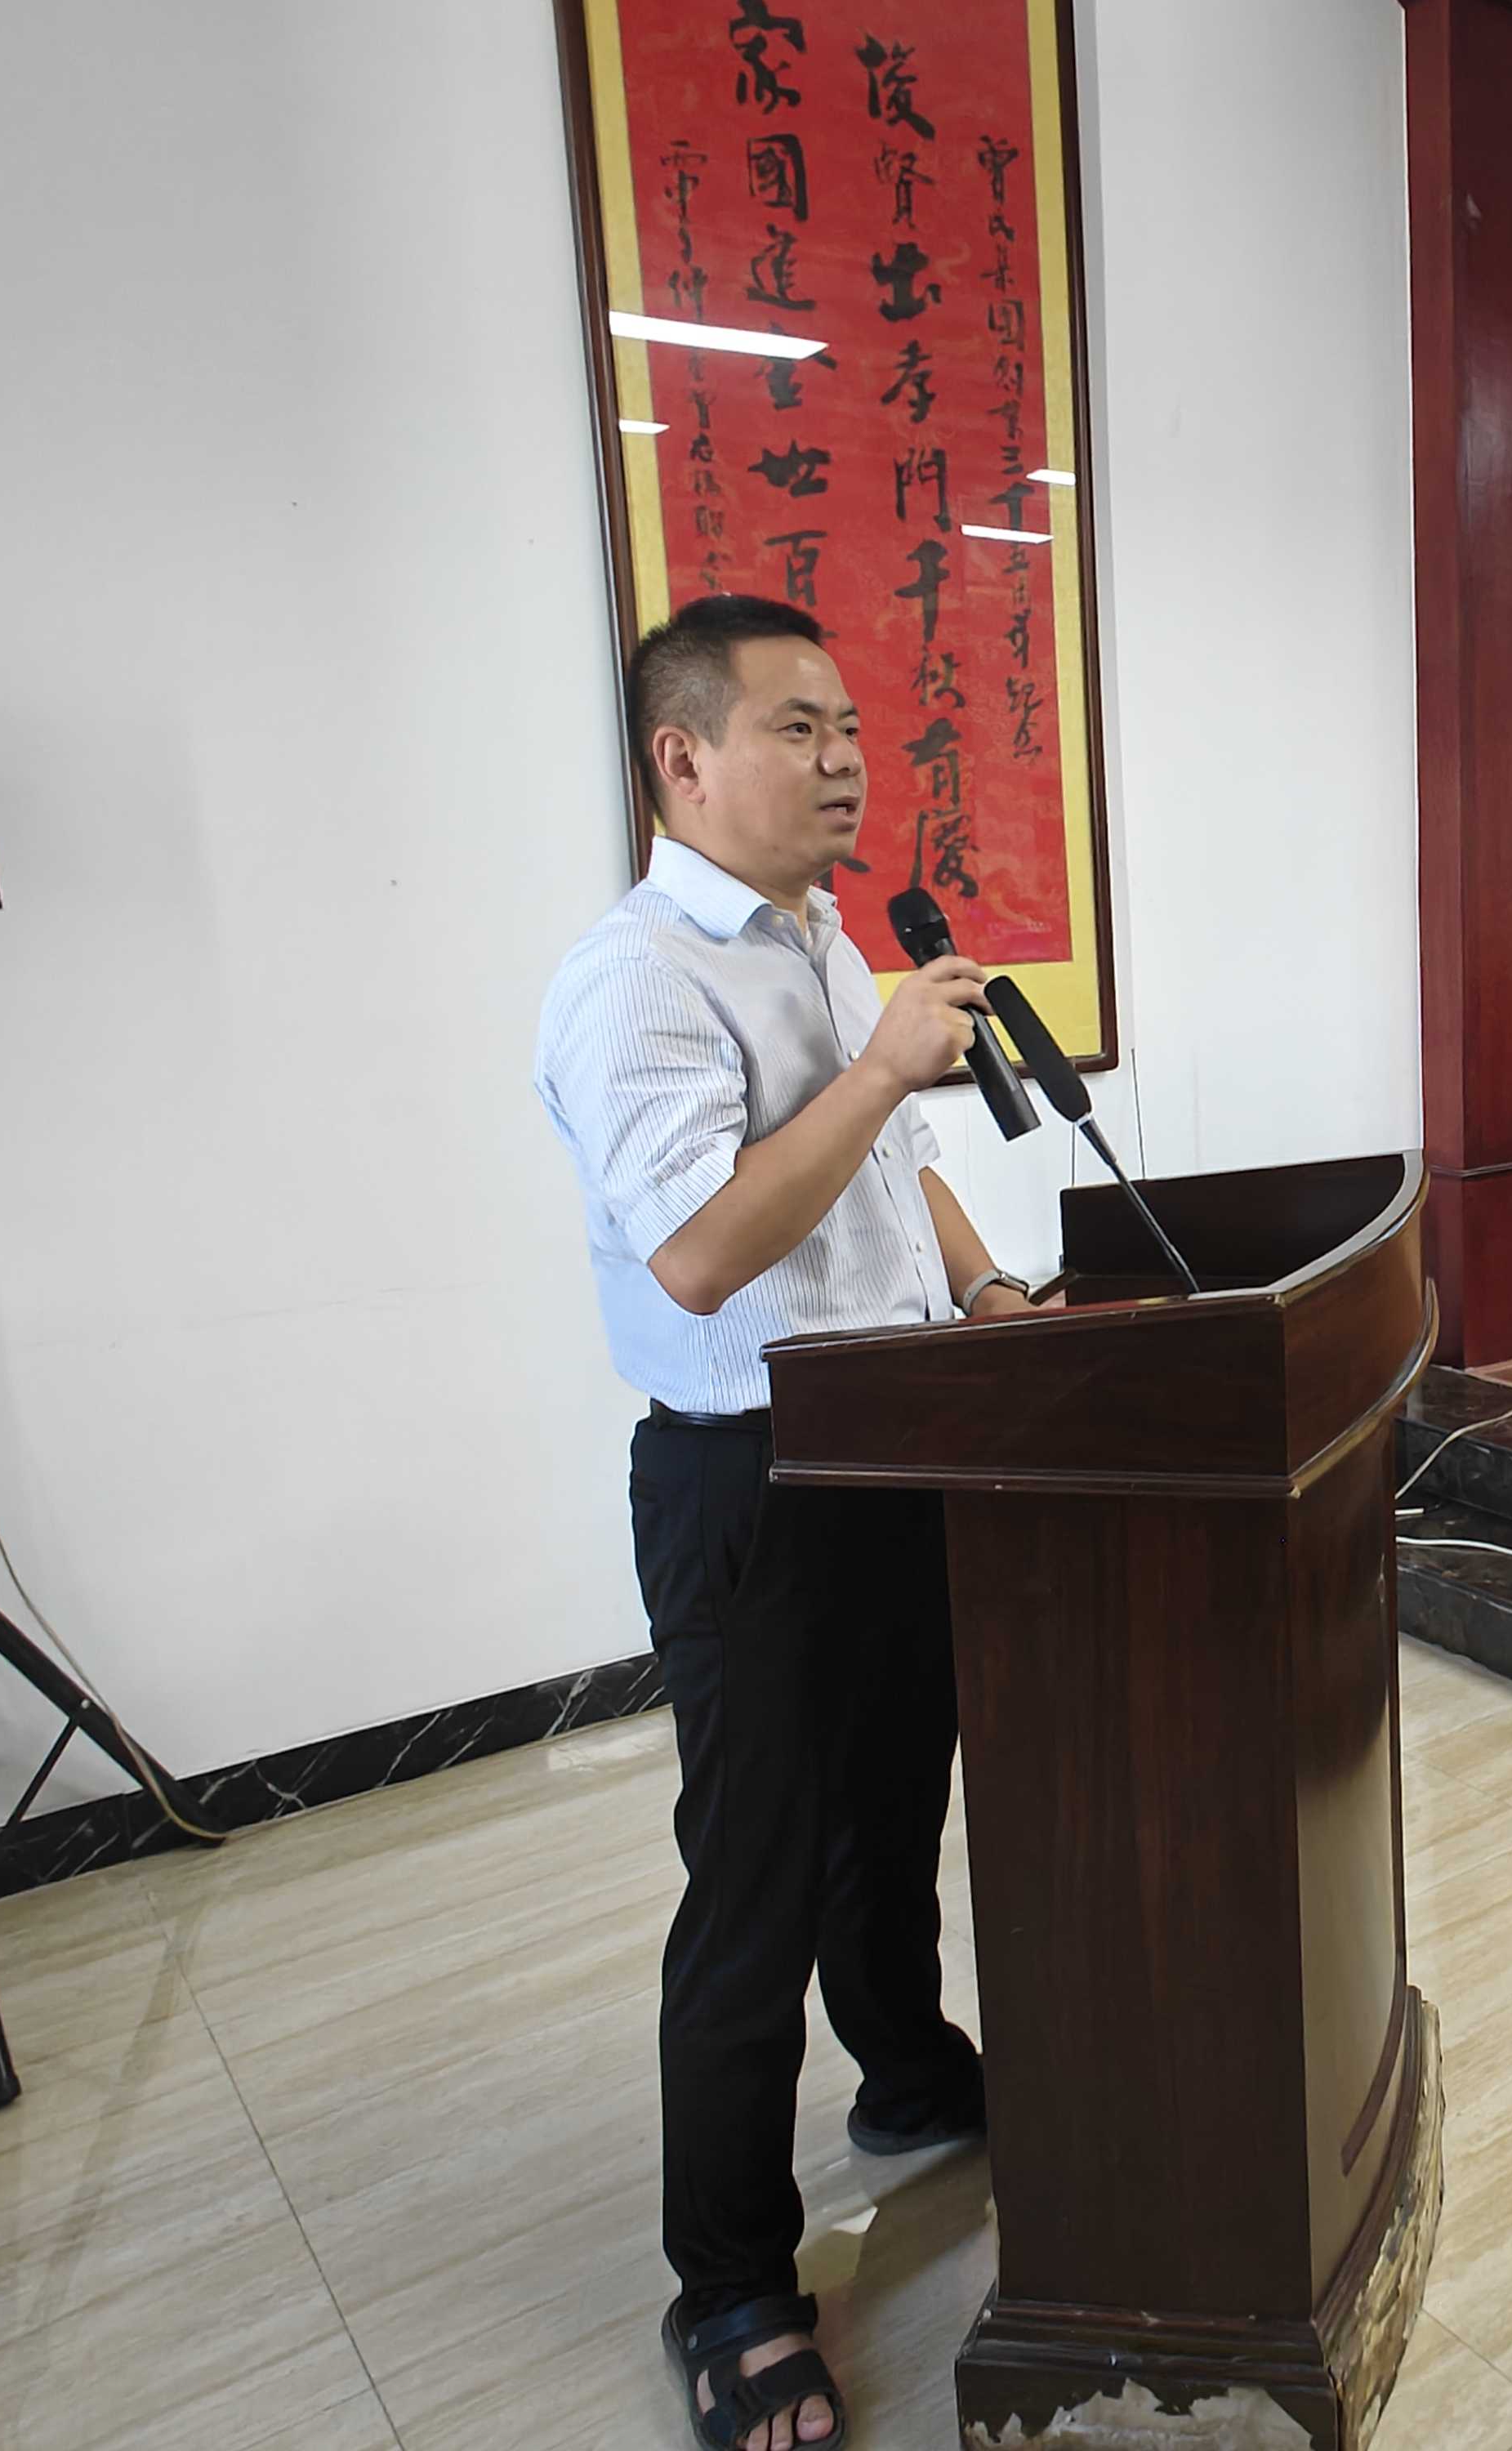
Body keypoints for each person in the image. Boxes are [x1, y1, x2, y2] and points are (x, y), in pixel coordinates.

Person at [537, 594, 1034, 2451]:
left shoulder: (823, 939)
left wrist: (987, 1294)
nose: (845, 763)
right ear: (683, 757)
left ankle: (905, 2073)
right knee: (751, 1887)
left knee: (892, 1813)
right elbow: (699, 1249)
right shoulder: (635, 980)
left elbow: (896, 1171)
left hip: (897, 1444)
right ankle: (734, 2285)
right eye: (798, 729)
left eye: (852, 730)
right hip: (748, 1478)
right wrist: (882, 1065)